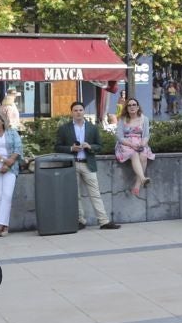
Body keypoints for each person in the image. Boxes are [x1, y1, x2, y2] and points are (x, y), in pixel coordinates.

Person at [56, 101, 118, 230]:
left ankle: (104, 221)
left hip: (88, 164)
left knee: (95, 193)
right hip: (72, 164)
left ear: (84, 112)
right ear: (71, 112)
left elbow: (99, 146)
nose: (78, 112)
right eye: (75, 110)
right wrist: (71, 148)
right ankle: (80, 220)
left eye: (80, 110)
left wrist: (90, 147)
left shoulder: (92, 128)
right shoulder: (64, 128)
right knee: (75, 194)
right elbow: (57, 147)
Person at [114, 97, 154, 198]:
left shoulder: (144, 119)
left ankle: (137, 185)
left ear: (137, 107)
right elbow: (119, 136)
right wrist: (131, 144)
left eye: (134, 105)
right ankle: (143, 178)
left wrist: (142, 144)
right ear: (126, 108)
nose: (132, 107)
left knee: (143, 156)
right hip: (126, 144)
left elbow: (146, 135)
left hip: (140, 143)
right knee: (134, 154)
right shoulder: (123, 119)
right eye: (129, 105)